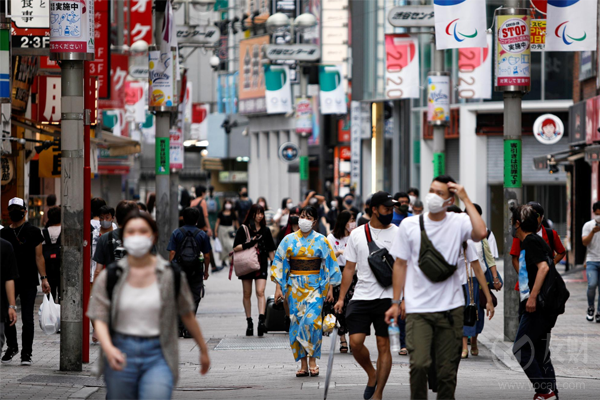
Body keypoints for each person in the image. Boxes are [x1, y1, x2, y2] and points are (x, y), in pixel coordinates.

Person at [385, 176, 491, 400]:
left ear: (449, 199)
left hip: (451, 310)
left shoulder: (458, 222)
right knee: (419, 365)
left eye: (440, 193)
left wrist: (465, 198)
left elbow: (481, 233)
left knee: (446, 373)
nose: (433, 196)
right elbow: (400, 265)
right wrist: (396, 302)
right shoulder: (409, 225)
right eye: (431, 190)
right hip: (418, 310)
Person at [87, 211, 210, 400]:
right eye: (131, 232)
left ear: (153, 237)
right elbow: (100, 317)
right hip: (120, 353)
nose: (137, 237)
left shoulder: (170, 275)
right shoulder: (110, 276)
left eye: (143, 231)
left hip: (158, 355)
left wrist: (203, 349)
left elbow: (187, 315)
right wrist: (109, 348)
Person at [334, 192, 397, 400]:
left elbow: (404, 269)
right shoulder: (358, 234)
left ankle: (378, 393)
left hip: (388, 298)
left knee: (383, 345)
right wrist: (342, 298)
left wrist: (401, 299)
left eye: (392, 209)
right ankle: (372, 374)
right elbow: (349, 269)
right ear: (374, 209)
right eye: (387, 208)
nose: (391, 212)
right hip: (361, 296)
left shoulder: (399, 233)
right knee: (356, 343)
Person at [272, 206, 341, 377]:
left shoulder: (322, 240)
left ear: (314, 221)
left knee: (312, 323)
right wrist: (278, 288)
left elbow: (330, 264)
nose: (304, 220)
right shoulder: (288, 240)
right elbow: (279, 263)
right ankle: (302, 363)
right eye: (302, 216)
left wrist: (331, 287)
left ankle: (313, 360)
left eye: (308, 217)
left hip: (315, 287)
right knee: (296, 322)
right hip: (294, 287)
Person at [511, 205, 559, 400]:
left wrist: (532, 297)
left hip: (537, 306)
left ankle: (543, 390)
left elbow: (543, 269)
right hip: (545, 305)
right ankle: (551, 392)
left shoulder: (530, 241)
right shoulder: (536, 241)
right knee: (540, 352)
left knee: (521, 348)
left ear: (517, 224)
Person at [0, 197, 51, 365]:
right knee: (7, 316)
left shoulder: (34, 231)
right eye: (12, 209)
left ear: (25, 212)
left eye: (17, 209)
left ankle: (26, 353)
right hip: (8, 280)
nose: (15, 213)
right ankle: (12, 346)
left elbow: (39, 257)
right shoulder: (3, 233)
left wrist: (43, 278)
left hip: (28, 280)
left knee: (27, 318)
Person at [445, 207, 495, 359]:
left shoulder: (467, 240)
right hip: (446, 283)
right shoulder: (437, 238)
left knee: (469, 312)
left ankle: (467, 343)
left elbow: (478, 269)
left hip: (468, 281)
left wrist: (488, 298)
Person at [233, 204, 276, 337]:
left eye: (262, 213)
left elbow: (270, 249)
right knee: (247, 294)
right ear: (252, 214)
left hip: (261, 263)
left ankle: (261, 321)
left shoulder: (266, 230)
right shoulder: (243, 229)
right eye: (257, 213)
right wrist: (250, 243)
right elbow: (235, 247)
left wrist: (274, 265)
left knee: (260, 291)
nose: (260, 216)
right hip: (247, 264)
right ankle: (249, 322)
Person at [168, 207, 211, 338]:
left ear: (183, 218)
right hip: (196, 269)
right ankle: (188, 328)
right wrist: (206, 271)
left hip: (179, 269)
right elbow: (207, 255)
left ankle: (179, 327)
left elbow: (172, 252)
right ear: (197, 220)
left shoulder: (177, 233)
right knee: (194, 297)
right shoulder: (201, 234)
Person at [510, 202, 566, 293]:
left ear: (542, 217)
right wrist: (524, 277)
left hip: (546, 282)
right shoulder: (520, 235)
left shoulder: (549, 234)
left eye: (535, 215)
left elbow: (544, 266)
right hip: (527, 284)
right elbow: (514, 258)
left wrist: (552, 263)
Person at [325, 210, 357, 353]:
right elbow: (328, 260)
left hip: (353, 274)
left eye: (353, 219)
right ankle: (342, 338)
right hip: (338, 274)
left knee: (352, 307)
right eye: (350, 220)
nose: (352, 223)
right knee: (339, 308)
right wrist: (338, 253)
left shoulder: (355, 236)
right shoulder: (331, 238)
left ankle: (352, 337)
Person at [93, 200, 139, 281]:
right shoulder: (145, 239)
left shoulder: (104, 238)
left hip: (112, 287)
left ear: (116, 219)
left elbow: (98, 271)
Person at [582, 201, 600, 322]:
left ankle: (599, 312)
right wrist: (593, 232)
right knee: (592, 284)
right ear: (593, 213)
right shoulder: (588, 226)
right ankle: (591, 307)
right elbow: (584, 242)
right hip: (592, 261)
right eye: (597, 213)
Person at [0, 237, 19, 355]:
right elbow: (9, 279)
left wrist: (12, 305)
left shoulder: (5, 246)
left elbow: (9, 278)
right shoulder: (5, 246)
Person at [42, 206, 62, 303]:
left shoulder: (44, 232)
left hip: (48, 267)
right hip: (62, 266)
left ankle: (51, 314)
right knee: (62, 293)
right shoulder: (65, 231)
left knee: (51, 293)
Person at [215, 200, 238, 270]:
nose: (228, 205)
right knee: (222, 245)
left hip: (230, 230)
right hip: (221, 229)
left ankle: (231, 259)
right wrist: (215, 231)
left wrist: (239, 230)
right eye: (226, 203)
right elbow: (217, 222)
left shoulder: (233, 213)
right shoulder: (220, 213)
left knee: (230, 245)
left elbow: (236, 222)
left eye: (229, 203)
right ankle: (223, 260)